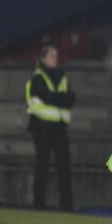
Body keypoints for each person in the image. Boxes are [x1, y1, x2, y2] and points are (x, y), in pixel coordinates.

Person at [26, 44, 75, 211]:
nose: (55, 59)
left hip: (59, 126)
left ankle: (67, 205)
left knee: (64, 167)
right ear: (43, 59)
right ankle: (38, 204)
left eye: (56, 55)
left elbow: (71, 98)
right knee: (42, 165)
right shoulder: (37, 78)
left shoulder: (62, 77)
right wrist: (61, 98)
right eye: (51, 56)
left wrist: (57, 98)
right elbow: (48, 97)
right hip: (42, 127)